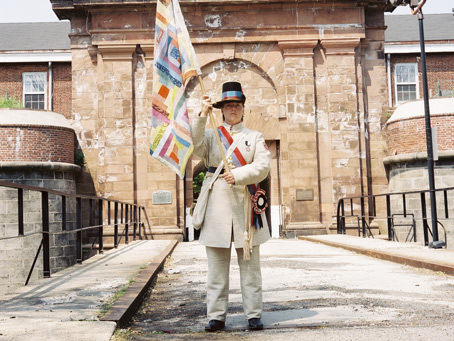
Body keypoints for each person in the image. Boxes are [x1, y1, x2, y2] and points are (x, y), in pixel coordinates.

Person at [191, 81, 271, 332]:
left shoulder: (254, 137)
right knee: (216, 271)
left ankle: (254, 314)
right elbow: (196, 147)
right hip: (218, 207)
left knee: (250, 269)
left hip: (246, 206)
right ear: (222, 110)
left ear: (243, 109)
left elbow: (263, 166)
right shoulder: (211, 133)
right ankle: (216, 316)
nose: (232, 109)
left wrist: (239, 175)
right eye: (228, 105)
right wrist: (202, 116)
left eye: (236, 105)